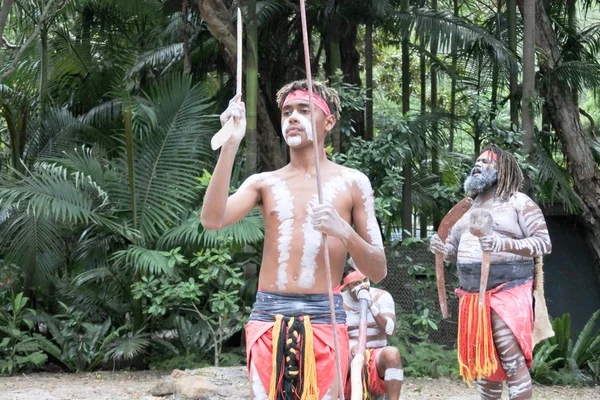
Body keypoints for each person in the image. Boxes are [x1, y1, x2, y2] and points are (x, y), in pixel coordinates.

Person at [200, 80, 387, 400]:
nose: (293, 117)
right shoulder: (264, 183)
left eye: (304, 110)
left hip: (325, 322)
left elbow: (378, 269)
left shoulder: (354, 183)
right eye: (287, 111)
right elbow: (212, 219)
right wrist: (230, 145)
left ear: (329, 121)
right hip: (267, 319)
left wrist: (343, 230)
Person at [429, 145, 552, 400]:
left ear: (502, 169)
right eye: (477, 160)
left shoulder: (518, 201)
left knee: (510, 357)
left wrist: (502, 243)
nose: (478, 164)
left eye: (486, 161)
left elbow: (543, 243)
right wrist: (441, 248)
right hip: (473, 297)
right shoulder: (465, 209)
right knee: (486, 365)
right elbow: (451, 252)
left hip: (508, 289)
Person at [341, 262, 403, 400]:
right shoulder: (338, 301)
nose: (363, 286)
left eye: (365, 280)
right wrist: (352, 348)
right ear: (346, 286)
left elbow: (390, 330)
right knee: (337, 357)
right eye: (356, 283)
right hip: (348, 353)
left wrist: (371, 307)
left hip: (376, 353)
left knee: (392, 354)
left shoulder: (382, 297)